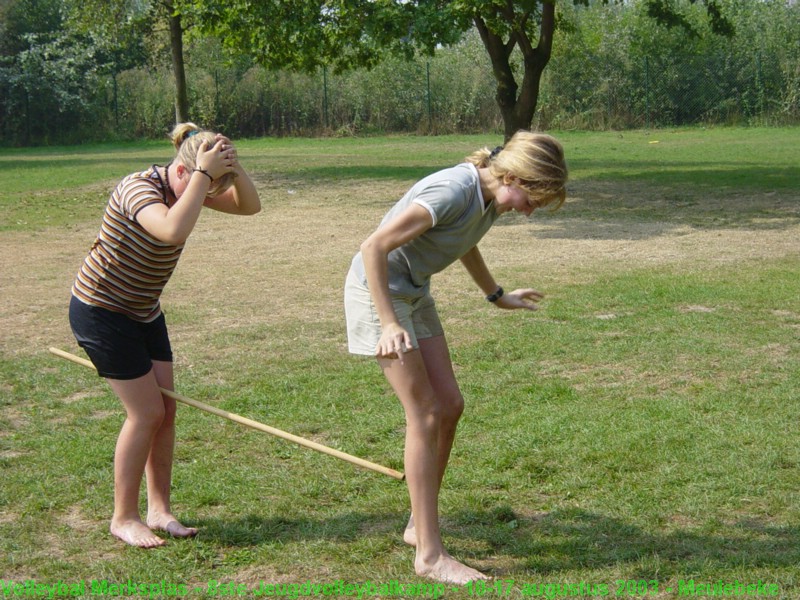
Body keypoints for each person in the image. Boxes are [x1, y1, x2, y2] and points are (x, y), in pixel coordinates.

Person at [344, 130, 567, 584]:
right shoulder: (451, 190)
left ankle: (417, 525)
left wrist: (496, 294)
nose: (529, 211)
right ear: (512, 175)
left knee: (449, 406)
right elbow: (374, 247)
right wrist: (388, 323)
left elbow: (463, 240)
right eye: (533, 199)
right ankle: (429, 556)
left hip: (413, 291)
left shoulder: (487, 199)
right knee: (424, 413)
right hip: (379, 293)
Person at [69, 123, 261, 548]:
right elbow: (172, 230)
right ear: (183, 173)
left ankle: (159, 510)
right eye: (204, 186)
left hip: (143, 312)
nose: (210, 198)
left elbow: (249, 207)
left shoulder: (192, 189)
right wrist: (204, 178)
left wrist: (230, 163)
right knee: (146, 413)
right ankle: (123, 517)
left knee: (166, 411)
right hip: (101, 311)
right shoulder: (138, 189)